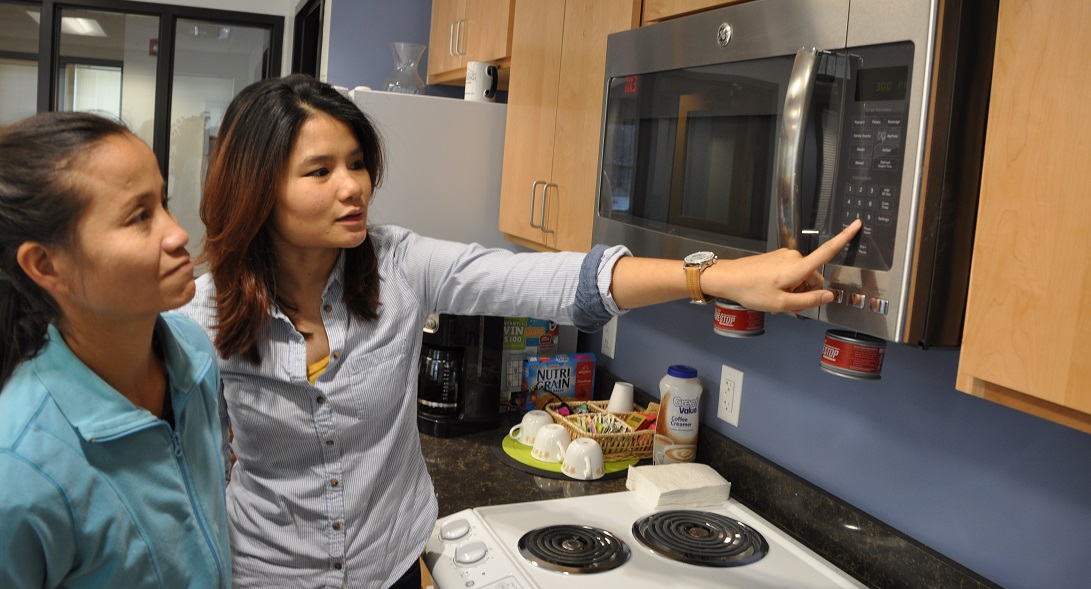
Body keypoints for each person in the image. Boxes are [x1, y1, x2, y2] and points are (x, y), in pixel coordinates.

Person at [179, 73, 862, 589]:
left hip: (389, 565)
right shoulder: (201, 318)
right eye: (319, 171)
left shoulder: (399, 263)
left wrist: (711, 279)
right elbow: (187, 469)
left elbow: (554, 283)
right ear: (259, 189)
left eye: (355, 162)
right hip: (266, 572)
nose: (352, 186)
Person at [0, 112, 231, 588]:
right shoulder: (19, 468)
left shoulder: (192, 353)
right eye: (139, 216)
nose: (178, 234)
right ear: (46, 265)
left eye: (163, 202)